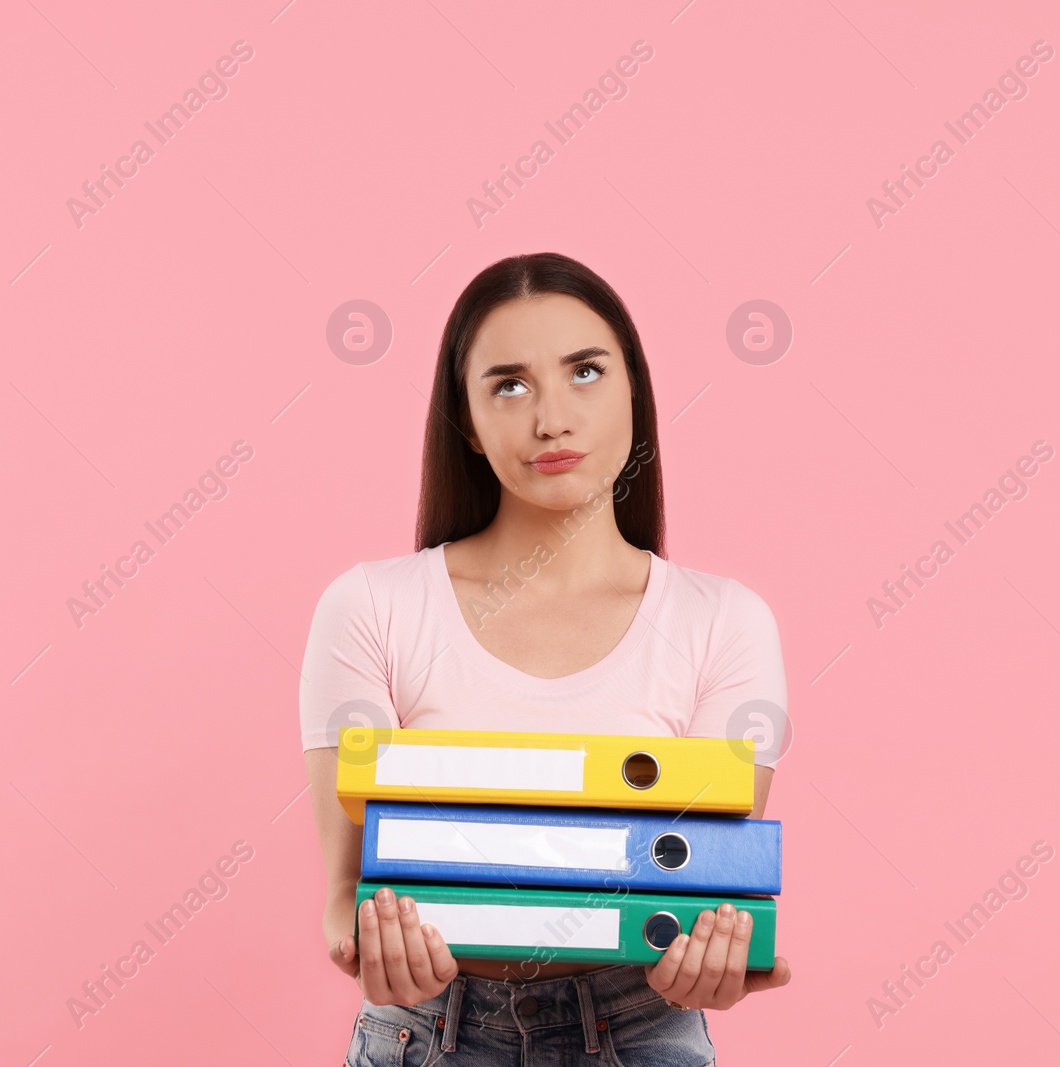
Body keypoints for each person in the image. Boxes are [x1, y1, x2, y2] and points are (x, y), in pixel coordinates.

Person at [300, 252, 792, 1065]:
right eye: (510, 384)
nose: (552, 418)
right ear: (466, 418)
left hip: (642, 1033)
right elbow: (343, 907)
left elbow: (705, 888)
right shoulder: (370, 607)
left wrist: (717, 960)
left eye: (586, 371)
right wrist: (369, 945)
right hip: (429, 1032)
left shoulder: (725, 622)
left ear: (634, 388)